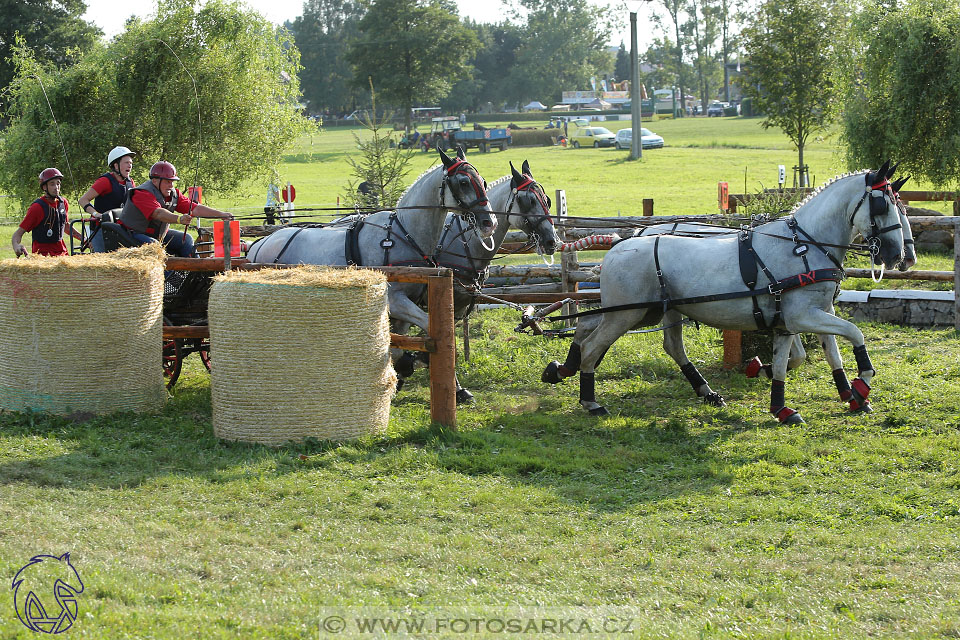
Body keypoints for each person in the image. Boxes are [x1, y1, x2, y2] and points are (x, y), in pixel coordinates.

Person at [117, 161, 232, 257]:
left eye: (172, 182)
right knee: (154, 246)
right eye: (167, 181)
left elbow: (194, 208)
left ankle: (195, 271)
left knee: (186, 239)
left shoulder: (173, 194)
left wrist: (220, 214)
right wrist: (179, 219)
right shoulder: (142, 193)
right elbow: (157, 213)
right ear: (155, 180)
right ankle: (170, 279)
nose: (171, 185)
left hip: (157, 235)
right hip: (132, 234)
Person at [12, 168, 84, 257]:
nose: (56, 187)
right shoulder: (37, 207)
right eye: (52, 184)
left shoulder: (63, 203)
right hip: (43, 257)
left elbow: (65, 226)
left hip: (63, 256)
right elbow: (17, 234)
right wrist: (16, 246)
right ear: (44, 187)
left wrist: (84, 240)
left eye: (58, 183)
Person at [77, 146, 137, 252]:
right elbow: (83, 200)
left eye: (131, 163)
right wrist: (96, 214)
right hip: (100, 229)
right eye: (126, 163)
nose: (130, 166)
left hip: (120, 229)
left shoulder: (130, 182)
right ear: (116, 165)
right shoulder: (105, 181)